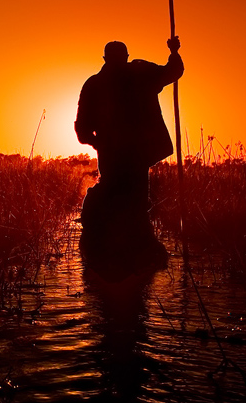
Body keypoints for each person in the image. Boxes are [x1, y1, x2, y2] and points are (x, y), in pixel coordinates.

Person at [74, 37, 183, 275]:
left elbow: (82, 130)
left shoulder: (101, 82)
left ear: (107, 58)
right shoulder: (135, 76)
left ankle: (125, 252)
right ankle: (124, 252)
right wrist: (173, 52)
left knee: (128, 197)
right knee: (127, 197)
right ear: (122, 57)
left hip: (128, 154)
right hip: (128, 154)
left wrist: (98, 141)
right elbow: (173, 71)